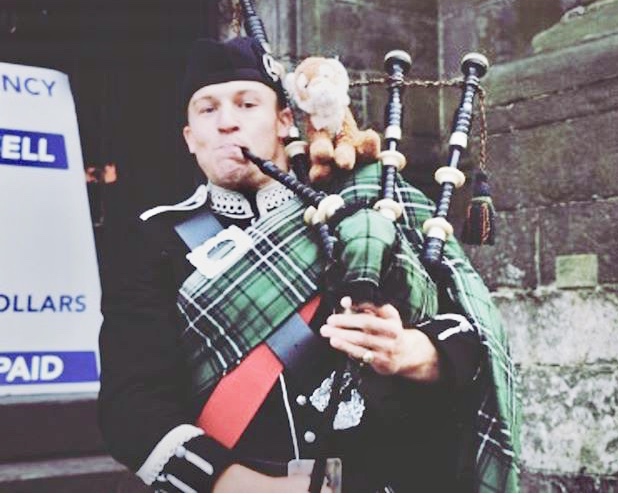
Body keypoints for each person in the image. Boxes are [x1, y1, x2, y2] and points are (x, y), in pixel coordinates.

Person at [98, 36, 519, 493]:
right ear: (189, 138)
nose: (226, 122)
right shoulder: (154, 239)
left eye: (246, 104)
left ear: (284, 121)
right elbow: (131, 408)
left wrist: (412, 351)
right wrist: (250, 487)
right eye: (207, 109)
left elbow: (472, 330)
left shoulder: (366, 201)